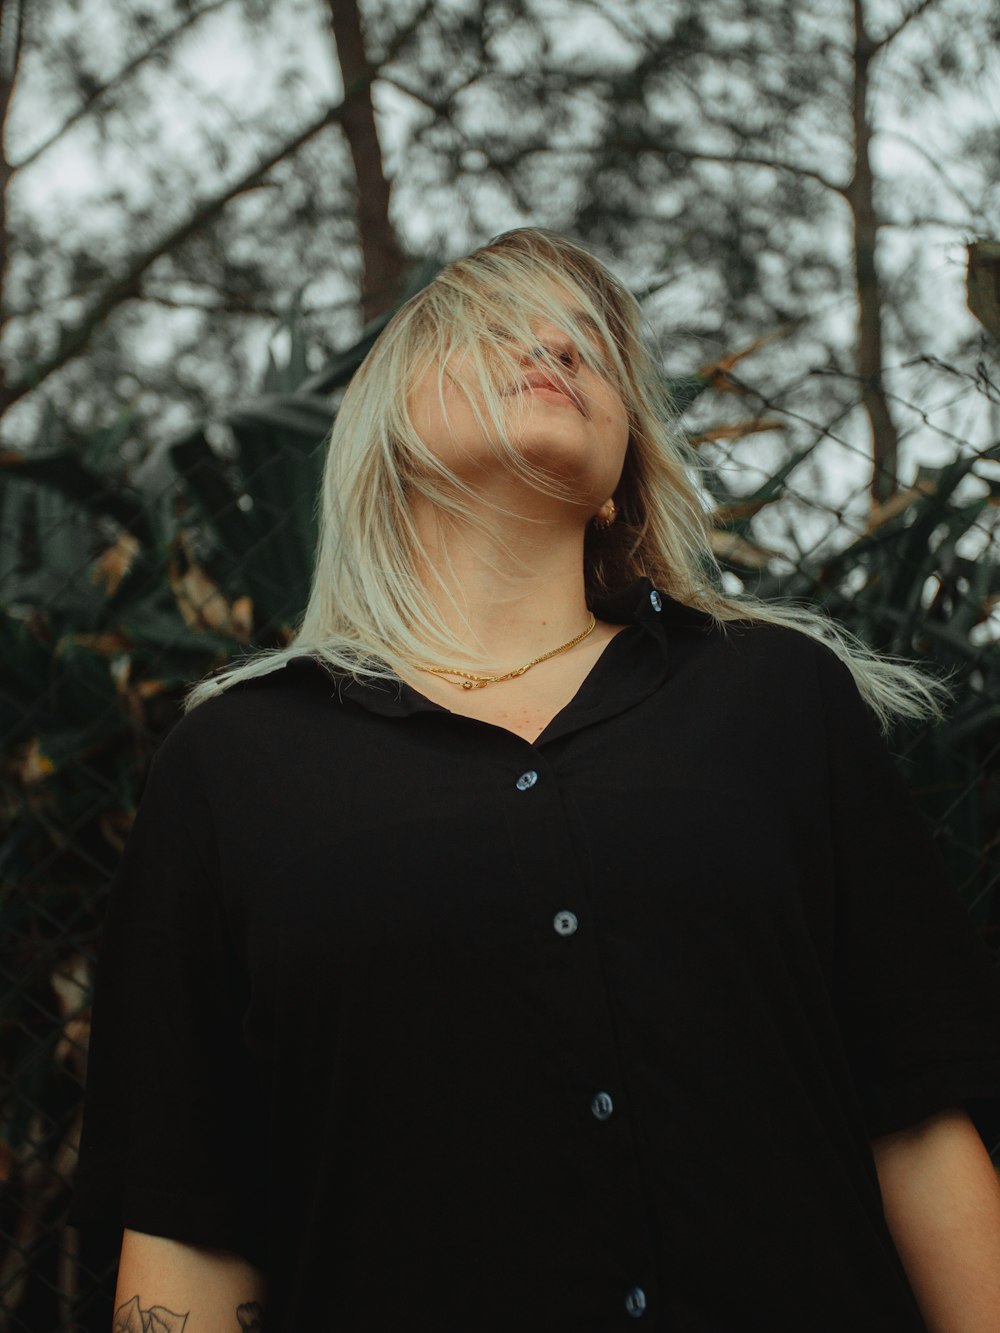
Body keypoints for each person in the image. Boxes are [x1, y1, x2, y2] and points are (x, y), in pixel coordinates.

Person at [70, 227, 1000, 1332]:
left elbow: (919, 1118)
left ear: (621, 480)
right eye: (500, 327)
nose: (556, 345)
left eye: (593, 349)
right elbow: (186, 1223)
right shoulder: (232, 768)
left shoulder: (776, 698)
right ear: (389, 436)